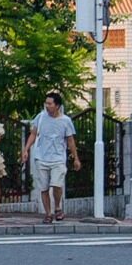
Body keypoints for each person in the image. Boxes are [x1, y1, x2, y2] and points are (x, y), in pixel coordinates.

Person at [30, 93, 78, 221]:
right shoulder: (40, 117)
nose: (47, 106)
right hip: (41, 157)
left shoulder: (66, 121)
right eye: (46, 103)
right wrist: (26, 149)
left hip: (58, 158)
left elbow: (70, 140)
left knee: (57, 184)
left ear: (57, 106)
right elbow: (33, 134)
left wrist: (75, 158)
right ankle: (48, 214)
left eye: (50, 104)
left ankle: (57, 207)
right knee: (44, 187)